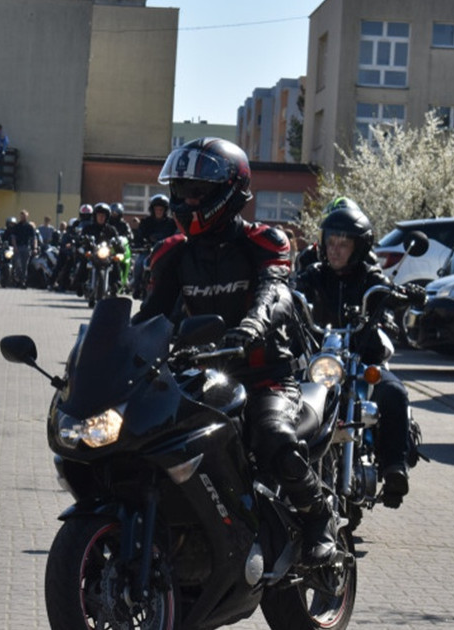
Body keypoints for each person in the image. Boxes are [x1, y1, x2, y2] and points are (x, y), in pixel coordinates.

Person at [134, 137, 336, 567]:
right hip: (201, 378)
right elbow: (151, 317)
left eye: (198, 192)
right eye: (181, 191)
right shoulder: (173, 255)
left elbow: (274, 292)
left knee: (274, 437)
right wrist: (117, 350)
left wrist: (253, 325)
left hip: (264, 377)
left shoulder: (263, 242)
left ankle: (319, 517)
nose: (187, 201)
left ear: (230, 192)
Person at [293, 197, 418, 509]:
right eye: (331, 242)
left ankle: (394, 468)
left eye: (344, 244)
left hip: (361, 361)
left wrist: (396, 304)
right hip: (319, 362)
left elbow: (386, 304)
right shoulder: (312, 276)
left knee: (393, 392)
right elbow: (291, 297)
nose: (335, 250)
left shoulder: (371, 279)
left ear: (359, 247)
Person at [8, 210, 39, 289]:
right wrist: (15, 247)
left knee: (25, 266)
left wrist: (35, 248)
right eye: (22, 216)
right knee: (17, 264)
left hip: (26, 247)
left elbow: (34, 238)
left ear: (27, 216)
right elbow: (13, 237)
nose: (23, 217)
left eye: (24, 216)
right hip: (18, 247)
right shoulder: (17, 226)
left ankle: (23, 282)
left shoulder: (30, 227)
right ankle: (19, 278)